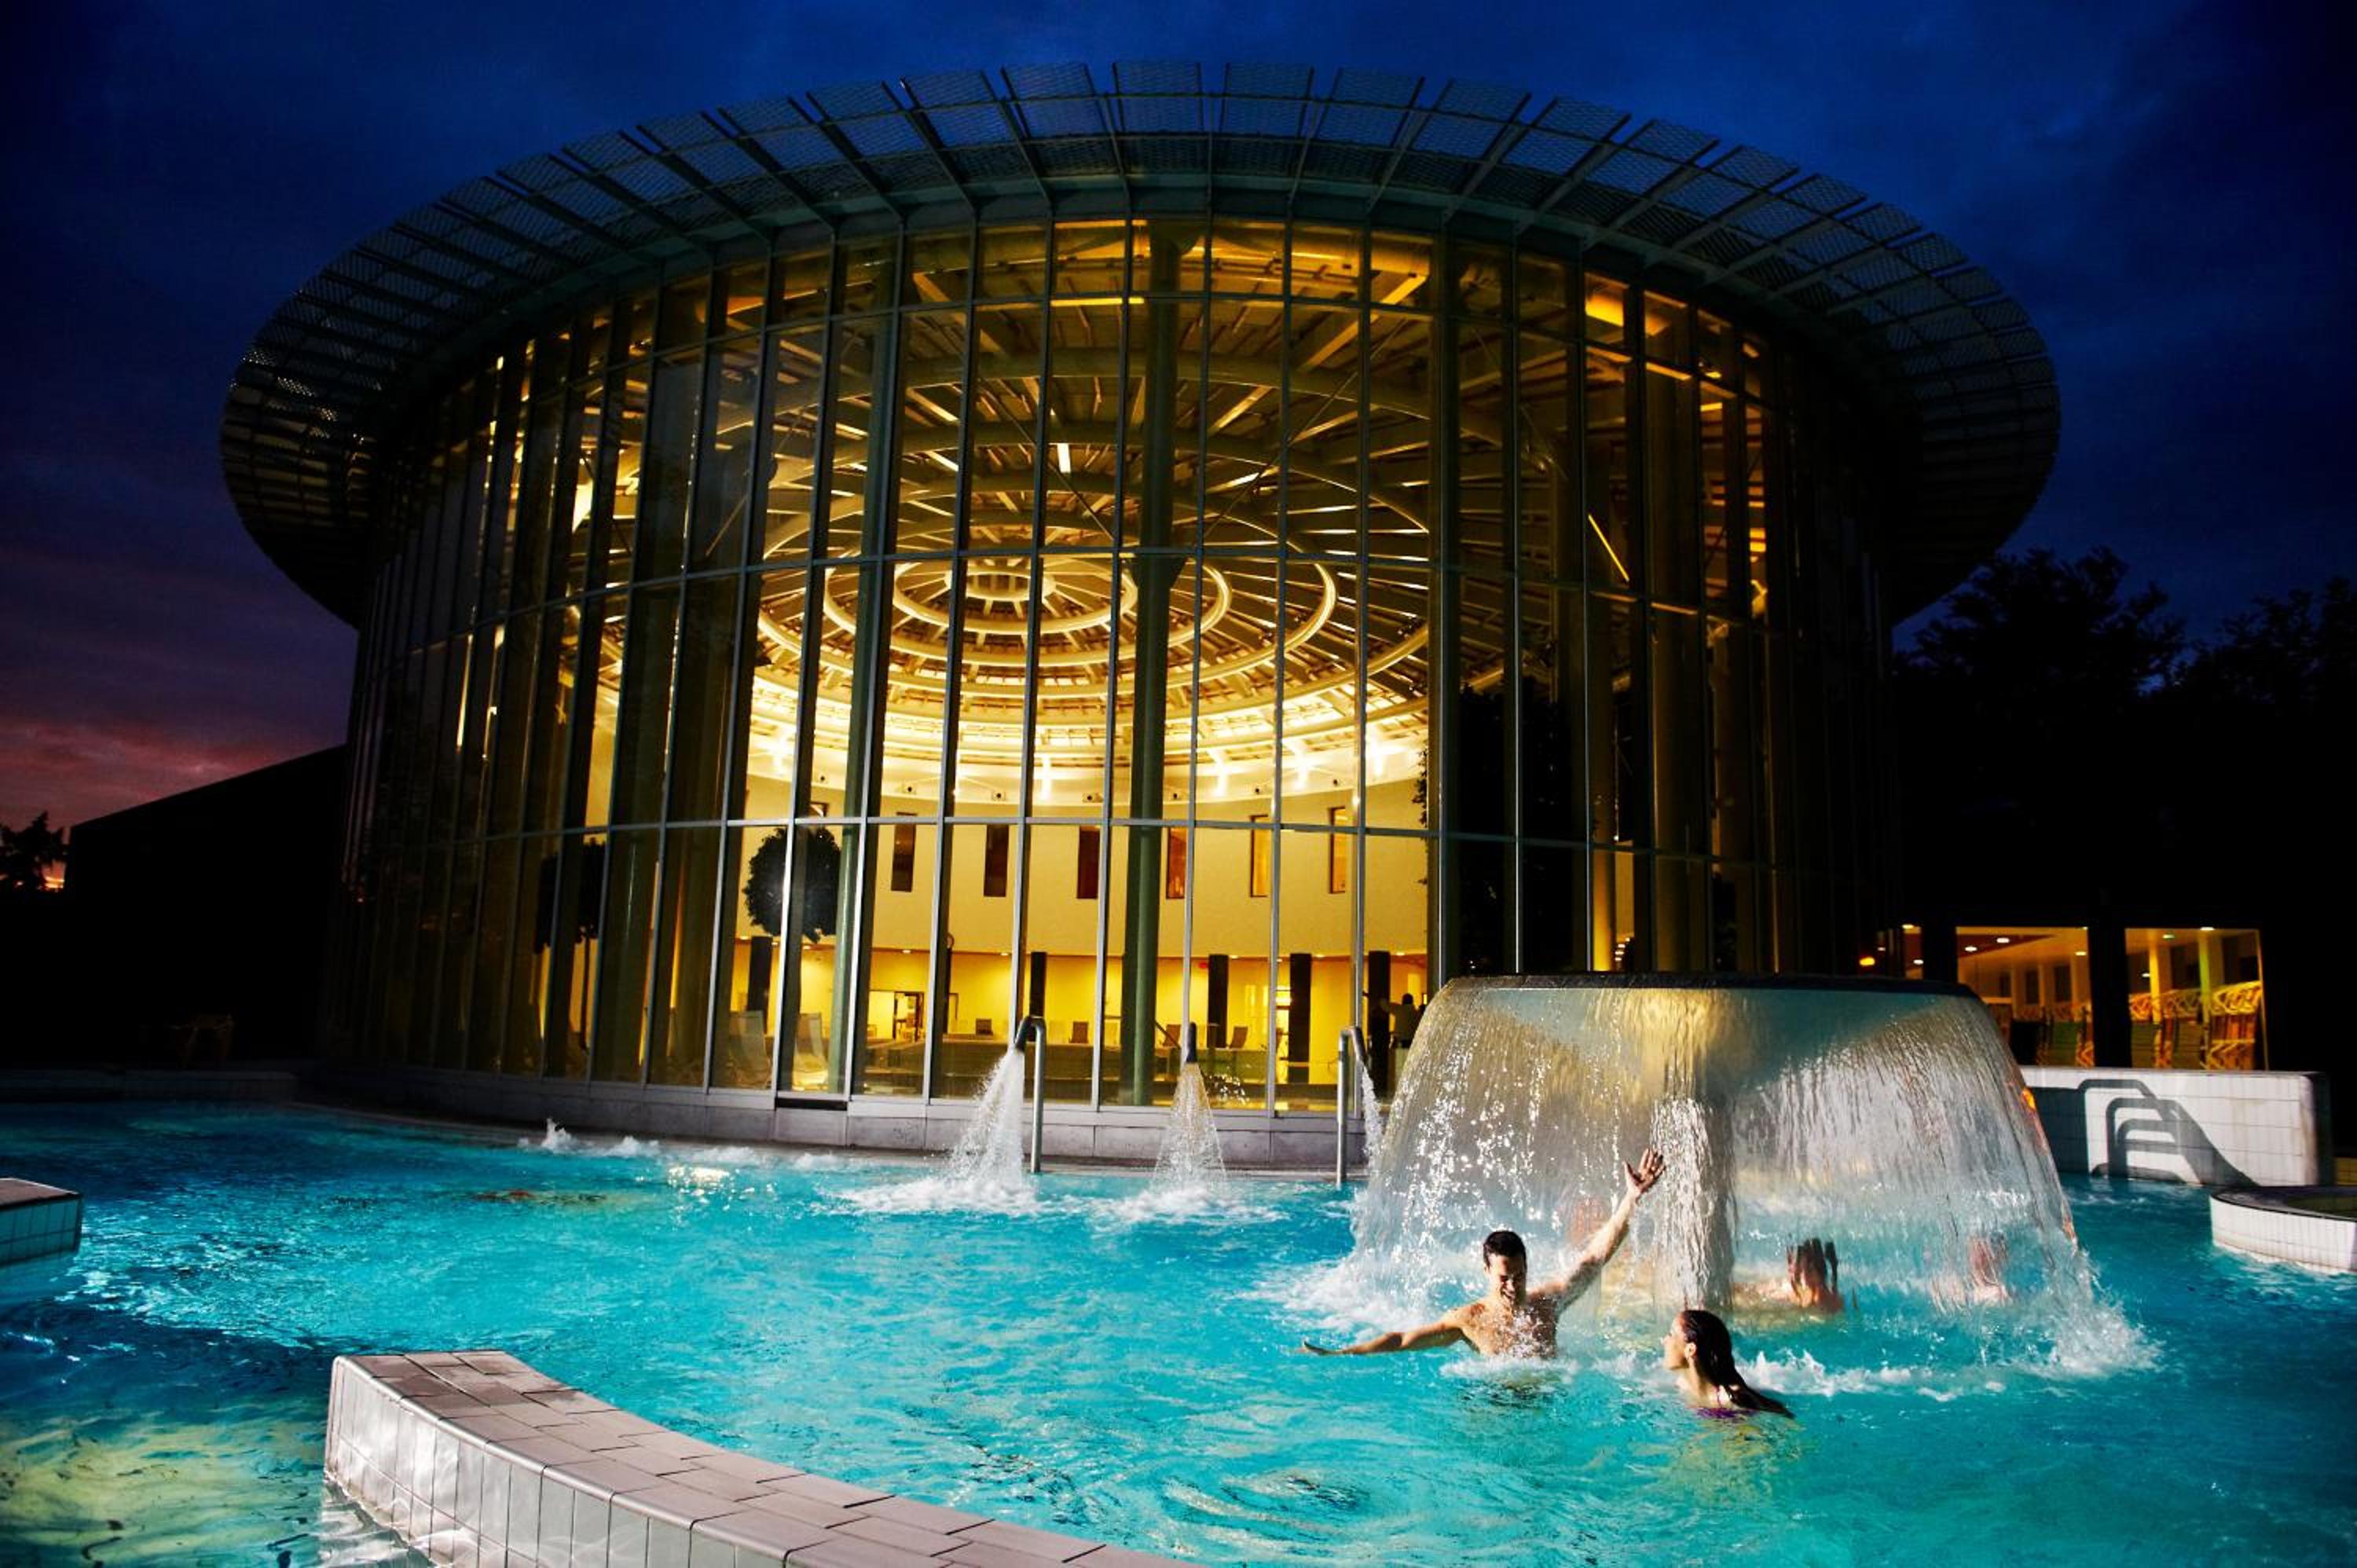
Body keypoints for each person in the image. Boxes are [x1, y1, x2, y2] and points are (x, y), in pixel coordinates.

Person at [1301, 1148, 1665, 1360]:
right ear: (1487, 1272)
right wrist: (1343, 1354)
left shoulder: (1548, 1303)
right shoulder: (1468, 1320)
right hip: (1495, 1408)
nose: (1513, 1286)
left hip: (1546, 1407)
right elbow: (1401, 1340)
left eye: (1520, 1276)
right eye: (1505, 1278)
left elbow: (1595, 1257)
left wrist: (1631, 1199)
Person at [1661, 1308, 1793, 1418]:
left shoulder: (1733, 1399)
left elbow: (1783, 1415)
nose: (1664, 1340)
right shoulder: (1682, 1385)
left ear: (1690, 1349)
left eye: (1671, 1334)